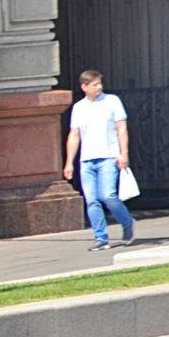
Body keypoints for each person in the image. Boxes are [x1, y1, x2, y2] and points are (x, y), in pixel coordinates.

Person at [63, 68, 135, 250]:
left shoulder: (112, 101)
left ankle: (126, 222)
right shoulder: (79, 108)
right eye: (94, 84)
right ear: (84, 87)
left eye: (100, 83)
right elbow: (74, 135)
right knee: (92, 200)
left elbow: (121, 129)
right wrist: (69, 162)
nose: (99, 87)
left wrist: (123, 153)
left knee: (108, 196)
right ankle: (101, 237)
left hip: (108, 157)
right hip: (87, 160)